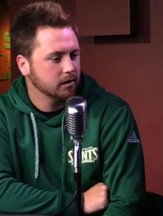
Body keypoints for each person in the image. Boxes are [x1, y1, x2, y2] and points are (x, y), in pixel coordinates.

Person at [0, 1, 145, 215]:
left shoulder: (112, 113)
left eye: (74, 55)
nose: (70, 67)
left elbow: (126, 204)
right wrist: (78, 203)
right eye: (55, 58)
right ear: (24, 65)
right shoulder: (4, 115)